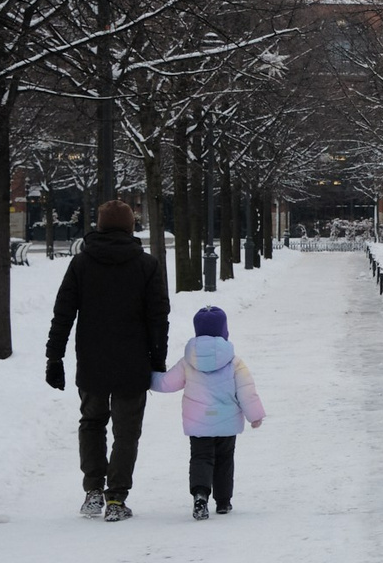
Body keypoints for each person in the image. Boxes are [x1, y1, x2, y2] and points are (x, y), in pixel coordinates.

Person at [45, 198, 170, 522]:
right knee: (127, 431)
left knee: (91, 423)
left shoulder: (81, 264)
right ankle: (116, 497)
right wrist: (158, 360)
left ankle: (93, 491)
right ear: (131, 227)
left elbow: (63, 314)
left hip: (92, 360)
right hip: (133, 362)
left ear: (99, 227)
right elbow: (158, 317)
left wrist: (54, 358)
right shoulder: (147, 265)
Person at [152, 306, 266, 519]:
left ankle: (200, 495)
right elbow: (246, 391)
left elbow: (167, 383)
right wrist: (255, 416)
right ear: (224, 331)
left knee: (200, 457)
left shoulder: (188, 360)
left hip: (198, 423)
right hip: (226, 423)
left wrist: (145, 378)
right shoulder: (234, 362)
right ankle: (223, 502)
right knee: (225, 459)